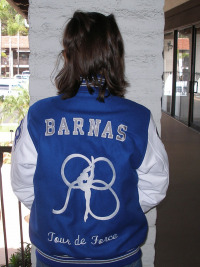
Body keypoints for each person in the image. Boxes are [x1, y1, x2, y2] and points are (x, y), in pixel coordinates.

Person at [11, 11, 169, 267]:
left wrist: (53, 213)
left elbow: (23, 183)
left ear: (67, 56)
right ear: (116, 58)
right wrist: (118, 212)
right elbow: (155, 184)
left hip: (54, 258)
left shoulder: (38, 117)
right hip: (119, 258)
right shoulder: (138, 119)